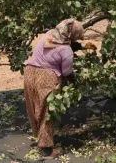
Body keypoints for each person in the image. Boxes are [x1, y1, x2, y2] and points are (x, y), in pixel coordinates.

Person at [23, 18, 83, 159]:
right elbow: (67, 72)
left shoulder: (50, 34)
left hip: (30, 73)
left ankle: (39, 138)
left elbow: (55, 49)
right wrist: (75, 83)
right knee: (46, 112)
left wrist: (76, 47)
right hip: (46, 78)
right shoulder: (66, 50)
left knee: (35, 107)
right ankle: (47, 150)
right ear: (72, 36)